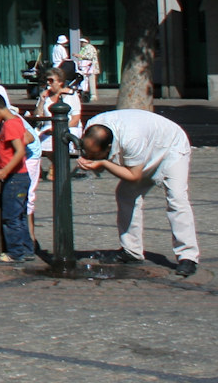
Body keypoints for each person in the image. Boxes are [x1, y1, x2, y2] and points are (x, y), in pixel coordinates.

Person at [78, 110, 199, 276]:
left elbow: (134, 176)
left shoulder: (131, 138)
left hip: (171, 148)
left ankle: (188, 257)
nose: (90, 156)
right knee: (125, 194)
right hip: (146, 148)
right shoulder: (93, 125)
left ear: (108, 147)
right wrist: (90, 157)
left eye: (94, 154)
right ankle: (131, 251)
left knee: (176, 198)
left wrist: (104, 164)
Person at [0, 92, 39, 264]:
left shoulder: (10, 125)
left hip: (15, 178)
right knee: (20, 216)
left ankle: (15, 252)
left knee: (10, 217)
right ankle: (27, 250)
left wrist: (5, 171)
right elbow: (27, 138)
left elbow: (19, 151)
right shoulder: (17, 121)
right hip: (22, 177)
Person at [32, 67, 83, 180]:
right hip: (48, 126)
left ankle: (56, 167)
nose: (48, 83)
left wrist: (58, 128)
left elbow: (75, 119)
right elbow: (38, 116)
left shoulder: (71, 95)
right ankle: (57, 165)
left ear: (60, 82)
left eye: (51, 80)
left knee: (55, 138)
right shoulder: (46, 95)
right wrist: (41, 100)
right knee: (37, 140)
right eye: (47, 80)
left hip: (68, 126)